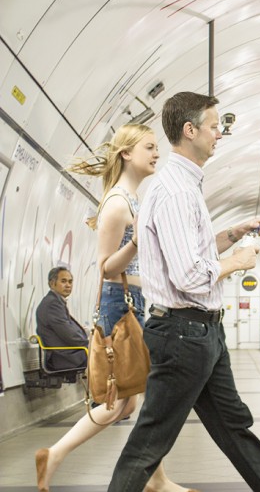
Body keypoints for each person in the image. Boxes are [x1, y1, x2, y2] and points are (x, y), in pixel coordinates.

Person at [108, 92, 260, 492]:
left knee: (234, 427)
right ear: (189, 130)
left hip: (201, 334)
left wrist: (234, 234)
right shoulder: (177, 191)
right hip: (184, 334)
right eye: (214, 127)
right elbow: (189, 276)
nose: (219, 134)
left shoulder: (186, 185)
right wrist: (237, 262)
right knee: (148, 445)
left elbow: (193, 254)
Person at [35, 124, 192, 492]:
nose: (157, 153)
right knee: (121, 401)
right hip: (117, 307)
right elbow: (106, 266)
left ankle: (155, 479)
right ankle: (56, 455)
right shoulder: (119, 203)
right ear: (126, 153)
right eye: (149, 147)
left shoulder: (134, 199)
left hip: (132, 304)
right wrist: (137, 242)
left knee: (128, 403)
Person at [35, 266, 88, 372]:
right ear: (52, 283)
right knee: (108, 356)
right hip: (63, 358)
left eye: (70, 282)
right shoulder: (52, 303)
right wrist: (90, 344)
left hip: (66, 355)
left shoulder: (55, 301)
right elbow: (70, 335)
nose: (68, 285)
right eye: (63, 281)